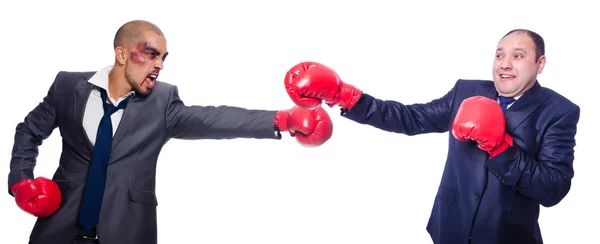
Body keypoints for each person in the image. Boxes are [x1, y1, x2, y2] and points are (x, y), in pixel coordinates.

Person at [8, 20, 334, 244]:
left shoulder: (161, 101)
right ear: (121, 54)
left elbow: (212, 119)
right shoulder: (68, 85)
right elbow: (29, 130)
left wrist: (282, 119)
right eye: (151, 53)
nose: (160, 64)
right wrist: (21, 180)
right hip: (58, 227)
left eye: (163, 57)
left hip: (126, 230)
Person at [283, 29, 580, 244]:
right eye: (500, 55)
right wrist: (345, 96)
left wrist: (501, 148)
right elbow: (411, 118)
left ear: (539, 64)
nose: (505, 63)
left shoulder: (559, 111)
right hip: (448, 229)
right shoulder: (466, 91)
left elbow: (553, 188)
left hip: (507, 236)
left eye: (518, 56)